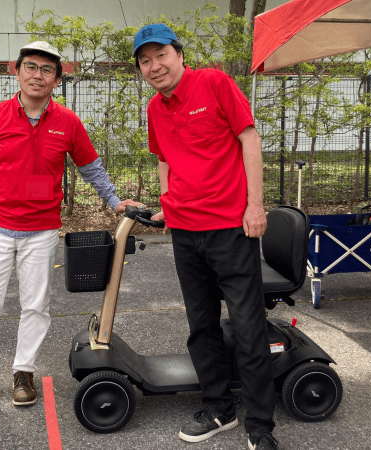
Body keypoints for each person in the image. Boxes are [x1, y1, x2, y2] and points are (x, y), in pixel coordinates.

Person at [0, 41, 138, 413]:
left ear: (56, 80)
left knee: (36, 306)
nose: (37, 75)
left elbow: (90, 165)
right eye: (30, 67)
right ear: (16, 72)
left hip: (42, 229)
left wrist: (115, 200)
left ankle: (23, 373)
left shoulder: (67, 122)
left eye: (46, 70)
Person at [133, 24, 279, 450]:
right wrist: (168, 203)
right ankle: (219, 408)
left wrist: (255, 205)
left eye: (160, 55)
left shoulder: (215, 83)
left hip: (231, 229)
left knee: (249, 328)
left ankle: (260, 428)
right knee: (201, 325)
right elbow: (164, 159)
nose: (154, 66)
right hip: (186, 233)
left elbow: (248, 138)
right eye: (145, 61)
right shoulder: (155, 109)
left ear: (179, 54)